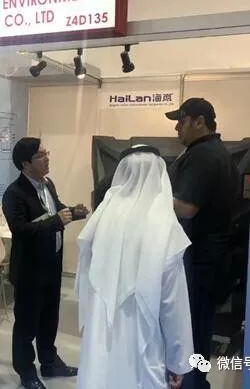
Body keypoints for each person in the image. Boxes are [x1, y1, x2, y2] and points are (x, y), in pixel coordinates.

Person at [75, 144, 194, 389]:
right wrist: (178, 362)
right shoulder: (164, 225)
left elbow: (85, 281)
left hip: (99, 336)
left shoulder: (102, 215)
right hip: (141, 345)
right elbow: (173, 304)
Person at [164, 98, 240, 389]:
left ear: (199, 122)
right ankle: (198, 381)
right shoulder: (216, 153)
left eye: (181, 121)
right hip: (209, 259)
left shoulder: (203, 156)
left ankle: (191, 383)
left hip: (198, 262)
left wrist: (151, 198)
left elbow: (186, 208)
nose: (177, 128)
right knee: (200, 328)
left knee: (191, 328)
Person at [2, 137, 89, 389]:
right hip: (29, 271)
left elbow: (56, 210)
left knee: (49, 320)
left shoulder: (47, 184)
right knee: (26, 325)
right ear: (25, 164)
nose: (47, 158)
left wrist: (74, 212)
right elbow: (20, 230)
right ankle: (26, 372)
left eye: (46, 152)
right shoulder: (14, 193)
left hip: (52, 265)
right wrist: (56, 221)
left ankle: (50, 363)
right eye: (40, 155)